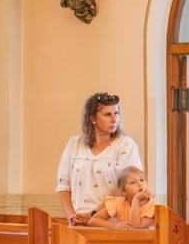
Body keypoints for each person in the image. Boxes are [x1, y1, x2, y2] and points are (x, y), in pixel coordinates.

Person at [55, 92, 142, 225]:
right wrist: (72, 217)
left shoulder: (125, 145)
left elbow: (125, 187)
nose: (114, 119)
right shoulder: (74, 144)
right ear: (92, 118)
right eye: (108, 114)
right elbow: (63, 186)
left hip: (112, 223)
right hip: (78, 222)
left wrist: (93, 215)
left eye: (116, 113)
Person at [88, 166, 157, 230]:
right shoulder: (119, 203)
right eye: (132, 182)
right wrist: (115, 226)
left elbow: (134, 227)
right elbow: (92, 221)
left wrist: (136, 200)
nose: (140, 184)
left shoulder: (153, 206)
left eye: (142, 180)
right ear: (123, 191)